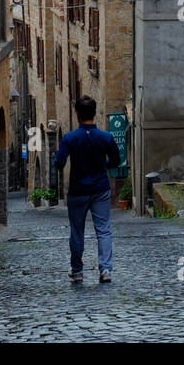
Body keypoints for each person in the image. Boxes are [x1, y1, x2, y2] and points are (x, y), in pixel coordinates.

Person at [55, 95, 119, 283]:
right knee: (104, 230)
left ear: (77, 114)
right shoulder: (106, 137)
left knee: (77, 231)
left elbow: (59, 162)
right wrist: (102, 165)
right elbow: (116, 160)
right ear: (94, 113)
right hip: (100, 188)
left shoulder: (70, 138)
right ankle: (105, 269)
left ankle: (77, 270)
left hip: (78, 190)